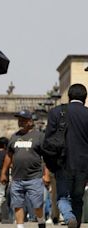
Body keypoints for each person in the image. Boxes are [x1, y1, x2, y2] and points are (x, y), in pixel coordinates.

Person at [44, 84, 88, 228]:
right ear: (85, 98)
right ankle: (75, 223)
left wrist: (49, 165)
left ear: (68, 97)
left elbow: (48, 141)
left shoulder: (56, 112)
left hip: (62, 163)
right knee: (77, 199)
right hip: (83, 165)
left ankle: (69, 218)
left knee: (63, 197)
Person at [0, 109, 50, 228]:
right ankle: (20, 226)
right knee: (17, 205)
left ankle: (41, 220)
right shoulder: (14, 137)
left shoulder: (39, 136)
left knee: (37, 205)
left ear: (30, 121)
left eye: (23, 120)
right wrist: (3, 173)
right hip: (17, 178)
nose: (20, 122)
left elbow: (46, 156)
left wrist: (46, 174)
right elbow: (8, 156)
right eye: (19, 120)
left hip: (34, 177)